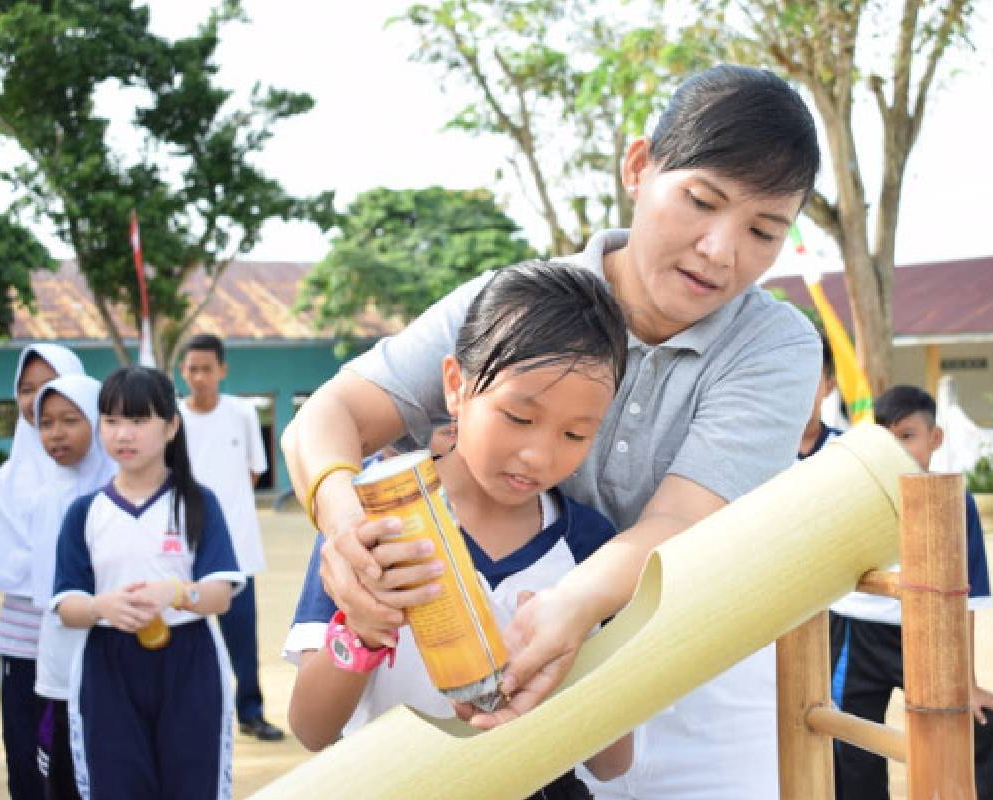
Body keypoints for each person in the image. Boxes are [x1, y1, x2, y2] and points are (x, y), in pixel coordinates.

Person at [281, 64, 823, 798]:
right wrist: (345, 525)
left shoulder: (776, 346)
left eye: (764, 230)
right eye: (701, 201)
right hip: (503, 714)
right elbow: (331, 413)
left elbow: (681, 525)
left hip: (700, 695)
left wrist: (571, 605)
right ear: (639, 166)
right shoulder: (516, 302)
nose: (721, 251)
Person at [285, 262, 633, 797]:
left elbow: (613, 762)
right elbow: (311, 728)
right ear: (456, 385)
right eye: (518, 417)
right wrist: (360, 626)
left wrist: (573, 653)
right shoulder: (369, 522)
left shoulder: (594, 550)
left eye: (575, 433)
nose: (538, 454)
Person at [51, 366, 243, 799]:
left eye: (138, 421)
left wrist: (176, 592)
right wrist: (103, 607)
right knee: (117, 786)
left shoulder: (197, 503)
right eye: (112, 420)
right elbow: (66, 605)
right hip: (107, 665)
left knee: (193, 786)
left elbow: (220, 595)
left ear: (171, 426)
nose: (124, 434)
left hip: (189, 660)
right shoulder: (84, 513)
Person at [828, 385, 993, 800]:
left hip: (929, 636)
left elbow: (970, 596)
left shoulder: (955, 502)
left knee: (985, 731)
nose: (896, 448)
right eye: (886, 438)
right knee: (852, 748)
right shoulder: (852, 495)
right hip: (857, 635)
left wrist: (969, 682)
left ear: (935, 439)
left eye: (907, 436)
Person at [0, 343, 85, 799]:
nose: (37, 398)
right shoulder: (7, 481)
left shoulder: (104, 474)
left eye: (49, 386)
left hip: (90, 643)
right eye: (26, 389)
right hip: (23, 645)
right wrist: (52, 568)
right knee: (28, 761)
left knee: (80, 762)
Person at [178, 333, 284, 741]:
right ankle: (193, 714)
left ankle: (251, 712)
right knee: (188, 636)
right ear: (182, 372)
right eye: (192, 369)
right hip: (185, 549)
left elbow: (253, 472)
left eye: (207, 368)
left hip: (237, 548)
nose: (199, 377)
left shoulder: (241, 413)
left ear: (222, 370)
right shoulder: (173, 418)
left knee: (242, 639)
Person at [31, 374, 117, 800]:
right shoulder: (45, 496)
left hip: (114, 666)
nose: (56, 433)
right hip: (61, 670)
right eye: (45, 423)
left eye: (70, 419)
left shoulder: (119, 495)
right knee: (62, 777)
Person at [799, 332, 841, 459]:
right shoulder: (758, 453)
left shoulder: (847, 450)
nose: (799, 389)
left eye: (809, 378)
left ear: (829, 387)